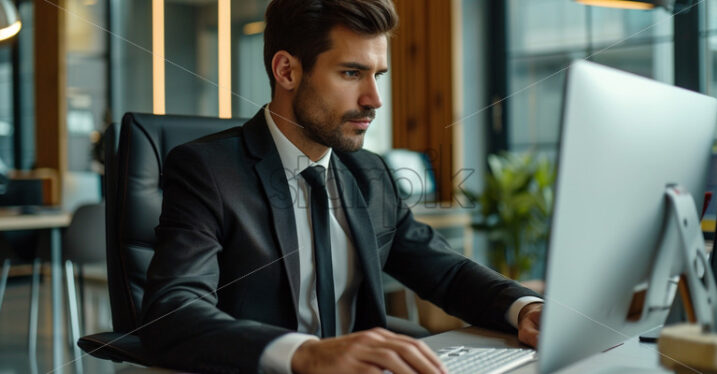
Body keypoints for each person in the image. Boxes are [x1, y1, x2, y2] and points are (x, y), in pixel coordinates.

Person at [140, 0, 544, 373]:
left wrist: (524, 308)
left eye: (378, 76)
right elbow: (174, 312)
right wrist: (305, 353)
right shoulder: (209, 170)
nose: (374, 99)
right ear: (287, 71)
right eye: (352, 73)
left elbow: (447, 273)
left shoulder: (370, 172)